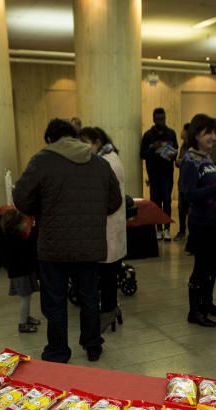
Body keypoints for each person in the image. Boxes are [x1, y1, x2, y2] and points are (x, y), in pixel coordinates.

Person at [13, 118, 122, 363]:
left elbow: (21, 198)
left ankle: (58, 351)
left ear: (50, 139)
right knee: (89, 297)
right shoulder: (99, 163)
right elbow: (115, 201)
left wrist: (42, 209)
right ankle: (93, 345)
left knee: (56, 300)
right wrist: (91, 214)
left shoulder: (42, 160)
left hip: (54, 246)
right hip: (89, 246)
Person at [179, 114, 216, 328]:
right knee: (201, 267)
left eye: (214, 132)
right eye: (207, 133)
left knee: (214, 264)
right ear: (196, 135)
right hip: (202, 223)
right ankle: (195, 310)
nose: (213, 137)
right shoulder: (189, 161)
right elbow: (189, 194)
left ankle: (207, 303)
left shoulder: (207, 158)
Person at [80, 126, 127, 333]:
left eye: (85, 143)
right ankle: (110, 309)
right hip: (108, 227)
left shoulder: (107, 162)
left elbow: (104, 196)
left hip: (108, 226)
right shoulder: (107, 158)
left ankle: (108, 311)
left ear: (96, 141)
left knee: (107, 274)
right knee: (107, 273)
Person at [0, 208, 41, 334]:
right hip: (20, 273)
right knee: (25, 297)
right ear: (16, 225)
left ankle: (27, 317)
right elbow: (27, 249)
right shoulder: (16, 240)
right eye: (23, 222)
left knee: (27, 296)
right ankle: (22, 323)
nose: (25, 224)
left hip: (21, 271)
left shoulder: (10, 237)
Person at [140, 108, 178, 240]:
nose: (161, 121)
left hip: (167, 174)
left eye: (163, 118)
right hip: (154, 175)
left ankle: (167, 229)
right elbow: (142, 155)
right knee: (155, 202)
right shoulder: (148, 135)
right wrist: (152, 148)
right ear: (154, 119)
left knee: (167, 201)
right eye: (158, 119)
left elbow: (175, 155)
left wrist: (166, 150)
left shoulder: (171, 133)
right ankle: (158, 229)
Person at [175, 122, 192, 240]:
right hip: (182, 182)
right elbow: (181, 161)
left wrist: (181, 161)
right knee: (181, 208)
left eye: (184, 131)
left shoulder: (193, 147)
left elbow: (189, 163)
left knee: (191, 210)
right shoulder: (183, 145)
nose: (182, 133)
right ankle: (181, 231)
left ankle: (192, 234)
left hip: (190, 183)